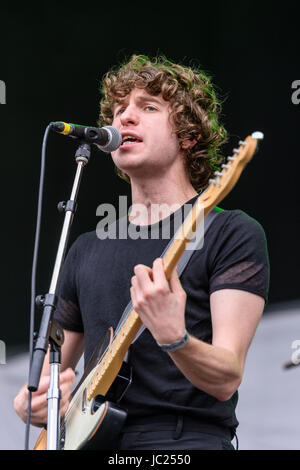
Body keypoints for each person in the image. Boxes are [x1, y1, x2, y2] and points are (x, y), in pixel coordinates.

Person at [14, 54, 269, 450]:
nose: (124, 118)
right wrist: (32, 401)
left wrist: (174, 336)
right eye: (118, 110)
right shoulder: (85, 248)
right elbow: (51, 373)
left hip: (183, 446)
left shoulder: (230, 231)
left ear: (189, 136)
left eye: (147, 108)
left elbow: (226, 377)